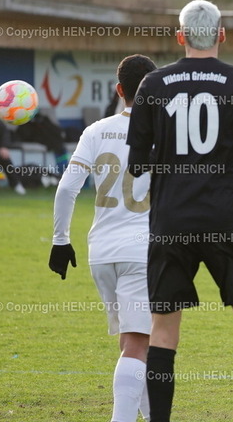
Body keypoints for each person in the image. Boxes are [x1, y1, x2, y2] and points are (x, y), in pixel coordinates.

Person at [126, 0, 233, 422]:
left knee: (164, 331)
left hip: (171, 221)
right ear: (222, 34)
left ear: (180, 36)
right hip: (225, 219)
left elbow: (137, 165)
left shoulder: (153, 84)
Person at [49, 54, 157, 422]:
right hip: (142, 252)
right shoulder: (164, 133)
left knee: (133, 342)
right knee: (139, 344)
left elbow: (67, 188)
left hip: (101, 252)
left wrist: (60, 240)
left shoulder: (96, 130)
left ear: (118, 89)